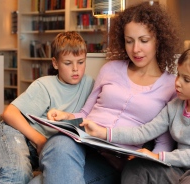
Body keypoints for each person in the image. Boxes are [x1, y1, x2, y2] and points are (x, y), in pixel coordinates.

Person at [30, 2, 181, 184]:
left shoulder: (172, 86)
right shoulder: (110, 69)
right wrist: (66, 116)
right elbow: (85, 114)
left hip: (114, 160)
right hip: (81, 143)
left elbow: (163, 143)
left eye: (144, 40)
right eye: (129, 41)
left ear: (158, 39)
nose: (135, 49)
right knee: (60, 143)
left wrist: (141, 163)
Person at [0, 31, 94, 184]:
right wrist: (40, 141)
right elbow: (9, 113)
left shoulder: (90, 85)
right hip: (16, 134)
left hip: (45, 150)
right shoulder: (45, 84)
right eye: (68, 63)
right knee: (18, 174)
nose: (75, 69)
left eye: (81, 62)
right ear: (55, 63)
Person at [80, 48, 190, 184]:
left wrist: (157, 156)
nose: (178, 82)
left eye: (187, 79)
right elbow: (144, 132)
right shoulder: (174, 107)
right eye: (178, 75)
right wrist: (103, 132)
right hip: (177, 169)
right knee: (135, 167)